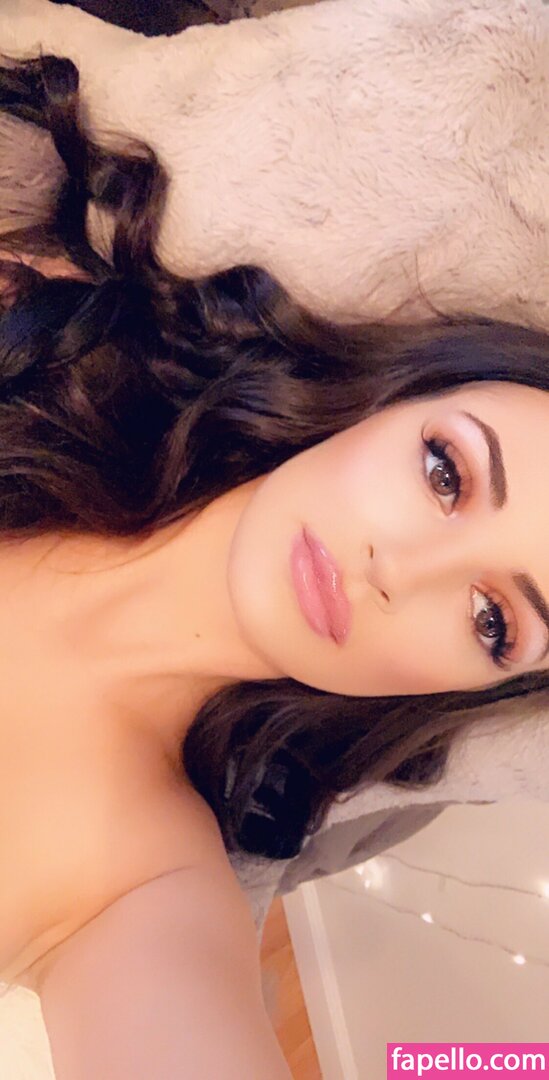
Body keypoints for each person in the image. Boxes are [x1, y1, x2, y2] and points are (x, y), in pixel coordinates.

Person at [1, 48, 549, 1080]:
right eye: (445, 472)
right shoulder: (35, 341)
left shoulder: (143, 894)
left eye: (493, 621)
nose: (401, 572)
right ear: (381, 404)